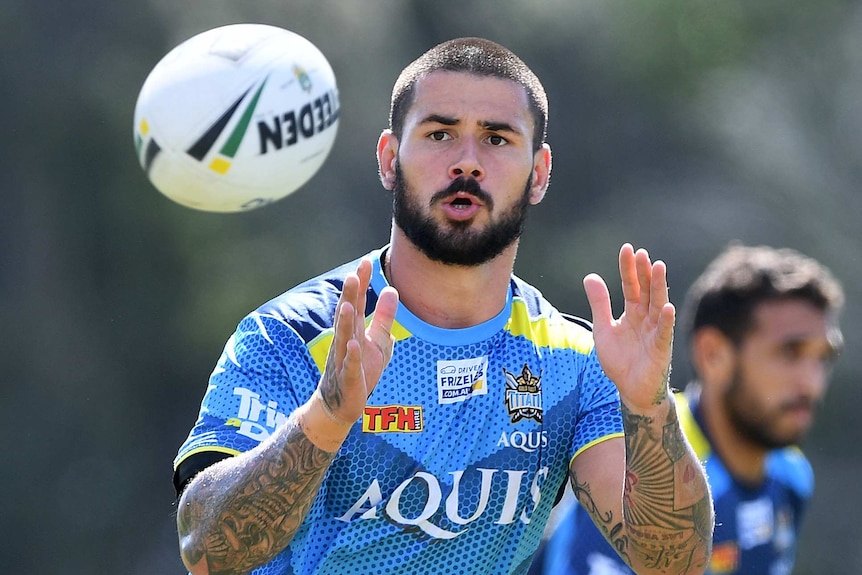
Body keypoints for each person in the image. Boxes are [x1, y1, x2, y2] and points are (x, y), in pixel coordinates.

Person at [172, 37, 713, 575]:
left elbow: (674, 565)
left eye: (498, 139)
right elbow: (206, 550)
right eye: (439, 134)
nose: (467, 162)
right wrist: (325, 419)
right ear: (389, 159)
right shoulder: (290, 336)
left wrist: (649, 409)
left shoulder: (577, 362)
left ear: (540, 173)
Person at [529, 243, 844, 575]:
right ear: (713, 355)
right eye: (789, 352)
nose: (812, 383)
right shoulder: (638, 465)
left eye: (823, 357)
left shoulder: (790, 476)